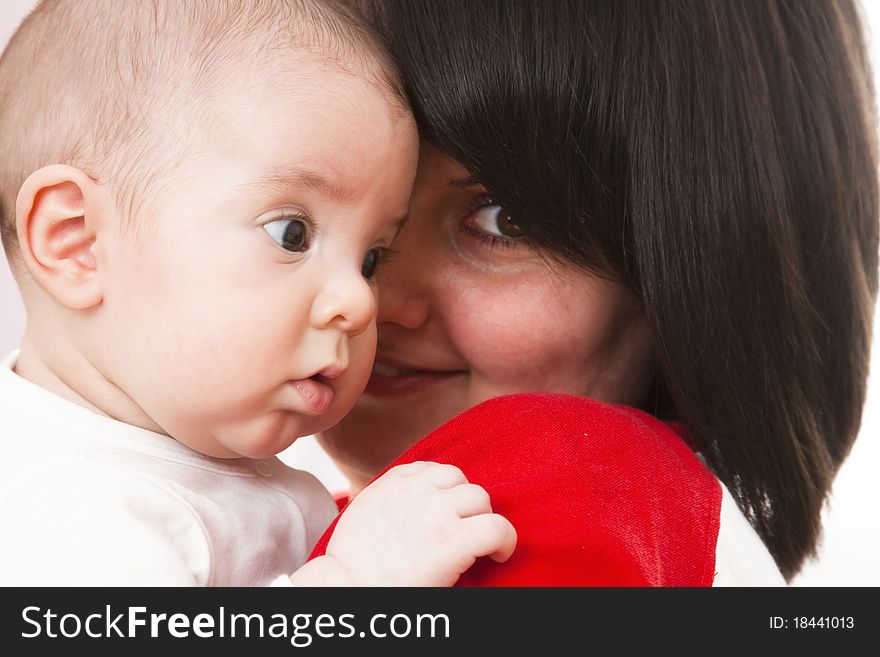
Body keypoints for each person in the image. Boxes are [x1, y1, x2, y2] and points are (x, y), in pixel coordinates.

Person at [313, 0, 879, 585]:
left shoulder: (565, 505)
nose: (372, 300)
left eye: (505, 221)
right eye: (309, 220)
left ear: (691, 259)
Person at [0, 0, 515, 586]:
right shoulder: (62, 509)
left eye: (371, 258)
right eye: (291, 234)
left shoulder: (206, 474)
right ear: (78, 243)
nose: (360, 301)